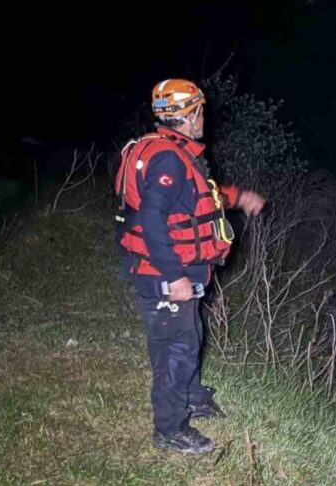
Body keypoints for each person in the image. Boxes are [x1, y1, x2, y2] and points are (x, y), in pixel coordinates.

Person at [114, 79, 266, 454]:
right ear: (190, 114)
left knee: (190, 334)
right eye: (201, 111)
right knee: (174, 349)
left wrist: (239, 196)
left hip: (179, 269)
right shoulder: (168, 158)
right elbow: (151, 218)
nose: (204, 118)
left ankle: (194, 397)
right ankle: (169, 428)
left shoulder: (175, 152)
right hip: (164, 273)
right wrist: (174, 275)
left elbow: (201, 195)